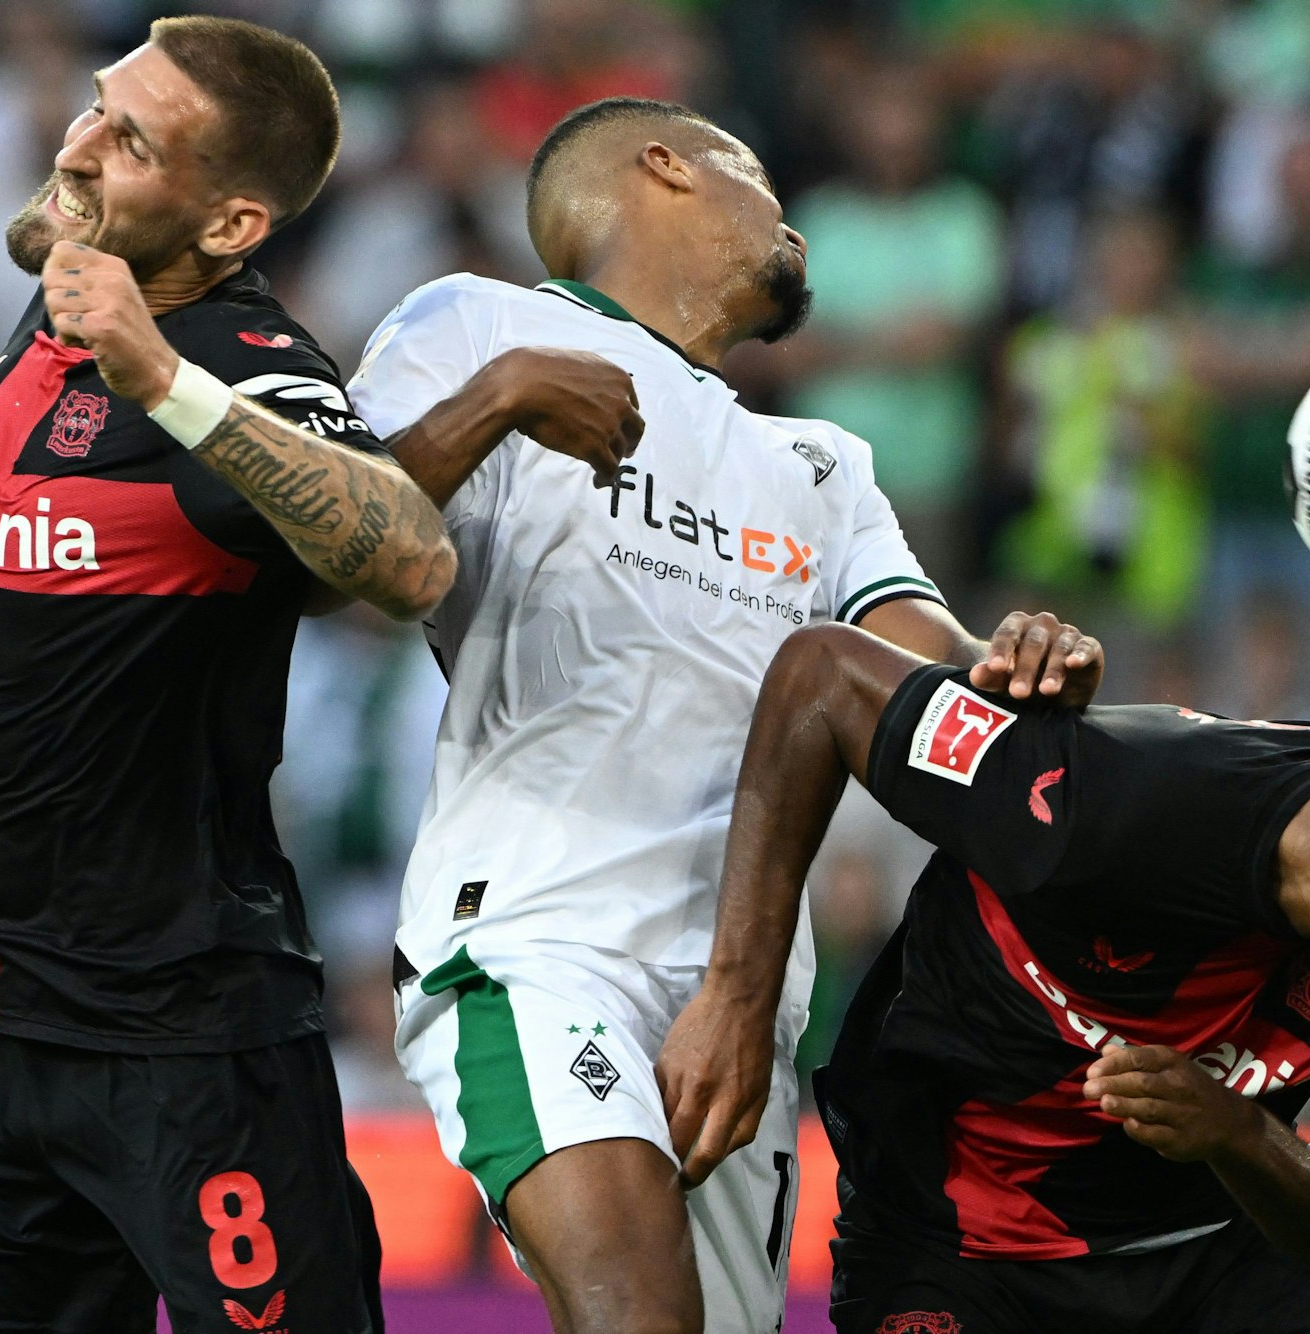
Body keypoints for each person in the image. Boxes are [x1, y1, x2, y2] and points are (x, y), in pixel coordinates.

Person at [0, 18, 626, 1334]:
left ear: (232, 226)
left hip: (181, 1044)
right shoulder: (68, 274)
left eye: (130, 138)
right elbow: (86, 537)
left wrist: (164, 377)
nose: (78, 147)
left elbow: (406, 558)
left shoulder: (245, 370)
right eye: (94, 107)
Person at [346, 96, 1102, 1334]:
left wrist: (1023, 658)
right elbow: (333, 561)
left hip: (741, 996)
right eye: (758, 178)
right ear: (665, 166)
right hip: (535, 941)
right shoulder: (477, 321)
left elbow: (929, 669)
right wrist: (499, 396)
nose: (790, 218)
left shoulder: (821, 465)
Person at [669, 623, 1310, 1332]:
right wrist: (736, 1000)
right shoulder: (1100, 805)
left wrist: (1236, 1135)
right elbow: (820, 678)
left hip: (1220, 1250)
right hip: (958, 1241)